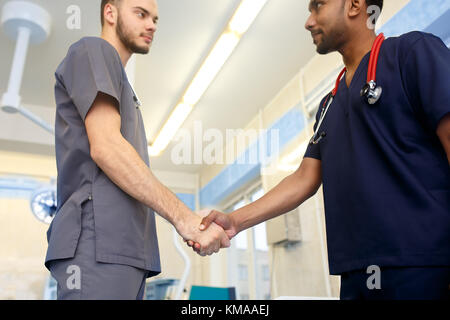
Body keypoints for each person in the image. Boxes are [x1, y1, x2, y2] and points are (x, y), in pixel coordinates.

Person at [188, 0, 450, 300]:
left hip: (426, 267)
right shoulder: (329, 105)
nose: (308, 22)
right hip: (356, 274)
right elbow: (304, 178)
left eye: (318, 7)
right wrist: (235, 221)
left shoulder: (413, 53)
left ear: (354, 5)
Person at [45, 0, 229, 300]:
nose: (152, 24)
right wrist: (185, 218)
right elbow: (107, 148)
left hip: (126, 253)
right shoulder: (94, 50)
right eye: (141, 14)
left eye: (155, 18)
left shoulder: (125, 91)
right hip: (98, 245)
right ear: (110, 12)